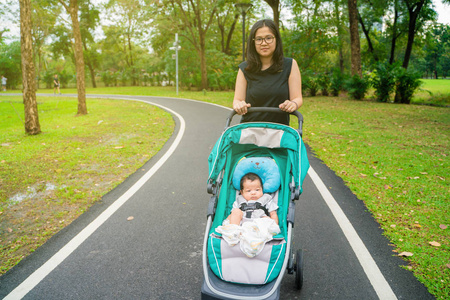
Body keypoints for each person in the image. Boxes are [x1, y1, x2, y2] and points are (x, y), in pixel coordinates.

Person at [233, 19, 303, 125]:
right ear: (253, 42)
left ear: (276, 40)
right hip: (250, 130)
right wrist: (239, 105)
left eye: (268, 38)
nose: (264, 43)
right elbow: (237, 100)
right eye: (259, 39)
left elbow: (297, 98)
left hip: (279, 130)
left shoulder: (290, 65)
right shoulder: (245, 68)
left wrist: (293, 104)